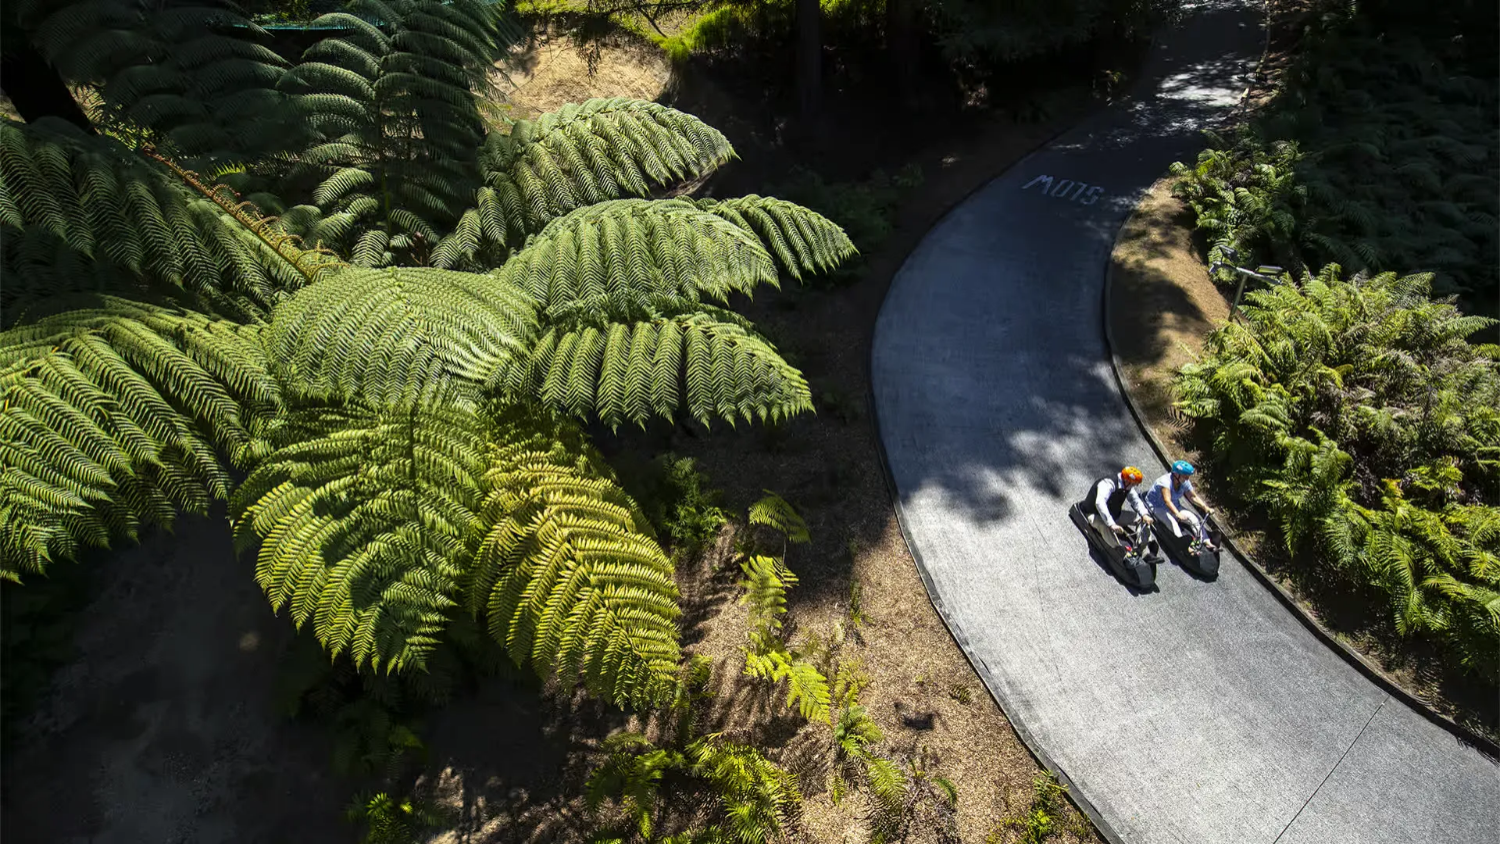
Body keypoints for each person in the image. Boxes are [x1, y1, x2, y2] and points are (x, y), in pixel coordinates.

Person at [1080, 467, 1156, 556]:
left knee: (1140, 519)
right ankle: (1123, 552)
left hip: (1114, 514)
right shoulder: (1108, 484)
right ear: (1127, 481)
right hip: (1094, 514)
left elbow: (1135, 500)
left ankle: (1144, 549)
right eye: (1134, 484)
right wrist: (1112, 524)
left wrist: (1144, 514)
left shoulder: (1127, 486)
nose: (1134, 486)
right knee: (1105, 526)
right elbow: (1100, 503)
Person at [1146, 460, 1218, 552]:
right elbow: (1167, 501)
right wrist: (1177, 514)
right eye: (1185, 476)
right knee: (1173, 523)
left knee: (1194, 518)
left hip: (1174, 505)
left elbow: (1192, 497)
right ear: (1177, 474)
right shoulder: (1165, 482)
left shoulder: (1184, 482)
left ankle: (1206, 542)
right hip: (1157, 506)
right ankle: (1182, 544)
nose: (1187, 478)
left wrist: (1205, 507)